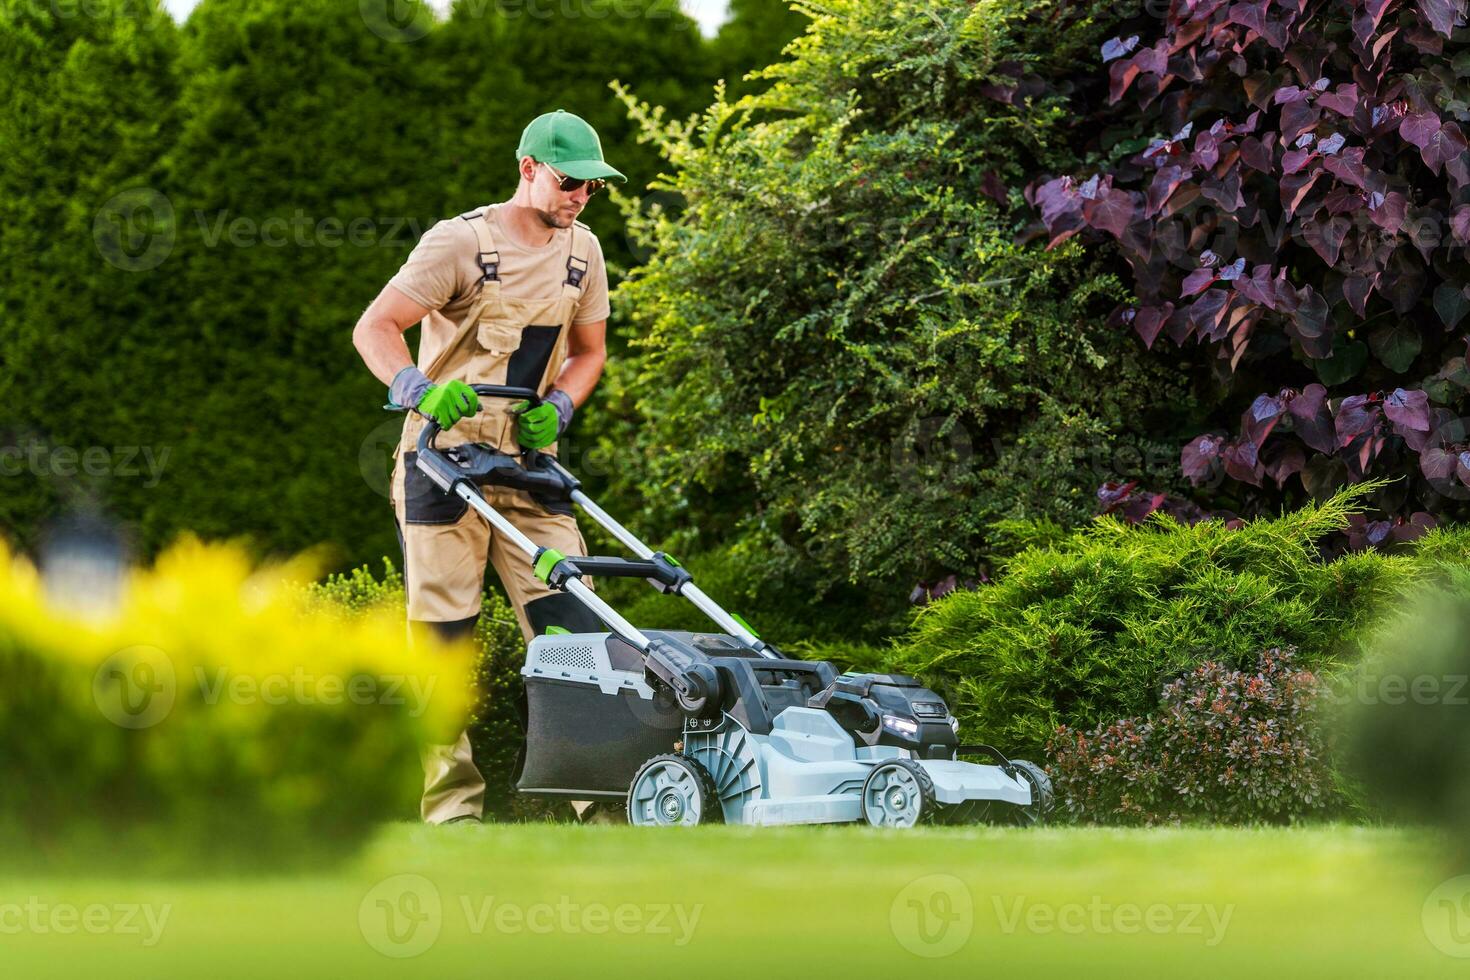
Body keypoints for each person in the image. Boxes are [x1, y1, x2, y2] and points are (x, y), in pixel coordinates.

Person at [352, 109, 624, 824]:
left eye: (592, 189)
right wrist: (418, 389)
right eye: (570, 183)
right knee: (444, 641)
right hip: (442, 461)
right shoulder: (460, 244)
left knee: (574, 631)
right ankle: (453, 815)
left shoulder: (583, 253)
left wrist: (561, 407)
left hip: (529, 464)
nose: (579, 199)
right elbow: (374, 326)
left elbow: (589, 352)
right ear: (529, 167)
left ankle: (596, 808)